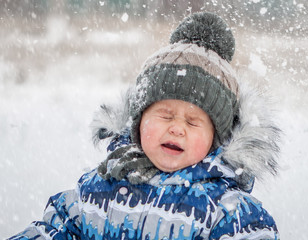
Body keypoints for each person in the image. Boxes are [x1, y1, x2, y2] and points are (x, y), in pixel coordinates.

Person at [9, 12, 281, 240]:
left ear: (216, 140)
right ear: (137, 123)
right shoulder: (99, 188)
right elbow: (52, 230)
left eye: (193, 121)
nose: (177, 128)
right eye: (164, 115)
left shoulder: (227, 210)